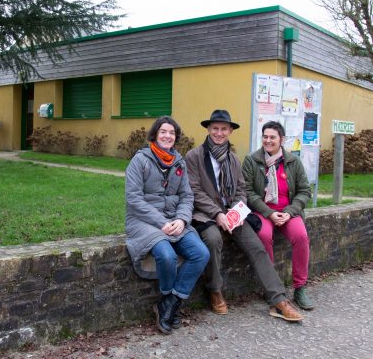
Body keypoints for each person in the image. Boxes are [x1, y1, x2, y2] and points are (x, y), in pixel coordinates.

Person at [185, 109, 304, 322]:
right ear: (208, 129)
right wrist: (217, 214)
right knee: (212, 240)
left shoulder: (233, 158)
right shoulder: (194, 156)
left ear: (230, 131)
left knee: (257, 246)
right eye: (215, 129)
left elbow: (241, 189)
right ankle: (215, 290)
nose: (219, 133)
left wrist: (236, 210)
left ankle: (278, 300)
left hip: (232, 214)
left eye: (223, 129)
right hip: (205, 214)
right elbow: (194, 191)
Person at [125, 116, 210, 334]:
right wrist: (162, 222)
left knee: (201, 253)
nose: (167, 136)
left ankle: (169, 303)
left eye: (172, 133)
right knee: (167, 255)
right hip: (144, 221)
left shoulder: (179, 162)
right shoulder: (140, 160)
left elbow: (187, 196)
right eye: (163, 131)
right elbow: (134, 199)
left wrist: (182, 220)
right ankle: (166, 297)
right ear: (155, 134)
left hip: (175, 220)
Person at [242, 120, 314, 310]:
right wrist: (269, 213)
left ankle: (300, 288)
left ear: (281, 139)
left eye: (272, 137)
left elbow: (305, 191)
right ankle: (272, 288)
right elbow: (248, 192)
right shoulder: (251, 160)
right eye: (265, 136)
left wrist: (289, 213)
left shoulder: (293, 162)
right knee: (264, 236)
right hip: (263, 211)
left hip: (288, 212)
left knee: (301, 236)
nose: (268, 140)